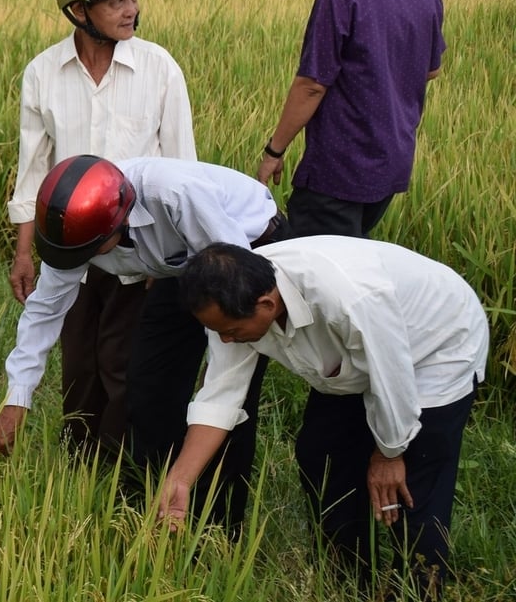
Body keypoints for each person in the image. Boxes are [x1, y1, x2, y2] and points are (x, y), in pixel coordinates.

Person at [0, 154, 292, 532]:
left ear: (121, 220)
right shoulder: (77, 227)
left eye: (90, 252)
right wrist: (17, 400)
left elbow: (230, 271)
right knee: (147, 386)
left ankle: (218, 529)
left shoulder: (175, 194)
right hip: (177, 265)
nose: (82, 262)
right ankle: (152, 505)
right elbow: (44, 310)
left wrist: (218, 362)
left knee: (229, 398)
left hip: (244, 250)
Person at [161, 239, 488, 600]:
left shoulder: (351, 297)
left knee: (413, 484)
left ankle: (419, 588)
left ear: (267, 304)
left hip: (435, 345)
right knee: (323, 457)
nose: (225, 339)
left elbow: (392, 376)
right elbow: (220, 394)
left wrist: (390, 453)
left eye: (232, 332)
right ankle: (347, 582)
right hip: (350, 360)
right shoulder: (227, 301)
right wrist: (180, 480)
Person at [6, 0, 196, 456]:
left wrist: (172, 263)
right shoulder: (43, 73)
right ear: (78, 9)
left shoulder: (159, 69)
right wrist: (25, 252)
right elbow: (34, 172)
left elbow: (182, 170)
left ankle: (120, 475)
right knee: (79, 366)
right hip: (69, 249)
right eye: (118, 0)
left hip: (139, 251)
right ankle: (77, 465)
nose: (132, 9)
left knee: (122, 366)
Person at [257, 0, 445, 238]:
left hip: (337, 175)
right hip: (389, 167)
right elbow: (430, 69)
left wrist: (274, 152)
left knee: (317, 282)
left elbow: (312, 84)